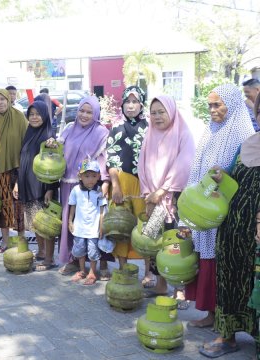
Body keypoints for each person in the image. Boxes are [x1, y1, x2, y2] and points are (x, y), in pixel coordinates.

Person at [183, 83, 255, 330]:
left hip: (226, 214)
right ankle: (212, 315)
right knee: (207, 261)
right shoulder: (211, 130)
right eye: (210, 105)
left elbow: (243, 178)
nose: (212, 110)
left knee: (220, 266)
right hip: (204, 208)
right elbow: (197, 169)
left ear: (232, 104)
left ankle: (222, 320)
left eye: (217, 105)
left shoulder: (243, 134)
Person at [199, 90, 260, 358]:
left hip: (257, 233)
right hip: (233, 229)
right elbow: (236, 183)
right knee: (230, 280)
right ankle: (228, 336)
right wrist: (222, 179)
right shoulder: (248, 144)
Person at [136, 95, 195, 301]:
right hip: (152, 199)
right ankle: (161, 285)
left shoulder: (183, 133)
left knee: (175, 245)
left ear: (171, 111)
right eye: (153, 113)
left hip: (174, 199)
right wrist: (148, 196)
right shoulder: (149, 134)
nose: (157, 116)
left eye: (162, 112)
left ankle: (180, 290)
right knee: (154, 243)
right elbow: (141, 165)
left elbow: (184, 165)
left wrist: (161, 191)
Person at [46, 96, 110, 279]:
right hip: (68, 184)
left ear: (96, 113)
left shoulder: (101, 132)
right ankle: (73, 260)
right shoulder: (68, 129)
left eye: (89, 112)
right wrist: (53, 144)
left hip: (90, 186)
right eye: (82, 110)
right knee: (71, 222)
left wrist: (104, 182)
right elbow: (58, 150)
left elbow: (103, 159)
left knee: (94, 224)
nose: (84, 115)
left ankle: (101, 263)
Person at [105, 86, 148, 273]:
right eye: (127, 102)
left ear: (141, 104)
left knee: (146, 228)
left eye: (135, 102)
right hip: (122, 182)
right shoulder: (116, 128)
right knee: (120, 226)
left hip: (145, 183)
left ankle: (148, 272)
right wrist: (115, 186)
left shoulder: (150, 127)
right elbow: (111, 158)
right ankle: (123, 269)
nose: (130, 106)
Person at [13, 100, 58, 269]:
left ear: (45, 115)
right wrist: (17, 183)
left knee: (45, 223)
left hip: (42, 187)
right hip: (27, 184)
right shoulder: (29, 133)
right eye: (31, 114)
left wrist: (50, 189)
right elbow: (23, 160)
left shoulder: (49, 137)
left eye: (38, 114)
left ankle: (49, 259)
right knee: (34, 221)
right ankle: (41, 252)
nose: (34, 117)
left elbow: (53, 167)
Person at [0, 89, 27, 253]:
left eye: (3, 99)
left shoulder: (19, 117)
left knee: (18, 205)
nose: (0, 102)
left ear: (9, 100)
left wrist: (24, 168)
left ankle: (22, 241)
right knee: (3, 206)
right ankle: (5, 241)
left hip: (17, 168)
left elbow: (26, 143)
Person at [67, 158, 107, 285]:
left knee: (93, 251)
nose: (90, 179)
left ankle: (92, 272)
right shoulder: (76, 190)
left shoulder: (100, 191)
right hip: (79, 228)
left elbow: (102, 210)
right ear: (80, 176)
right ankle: (82, 270)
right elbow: (72, 206)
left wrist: (101, 226)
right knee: (79, 250)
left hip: (94, 229)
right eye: (87, 176)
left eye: (94, 176)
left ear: (98, 176)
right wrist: (70, 221)